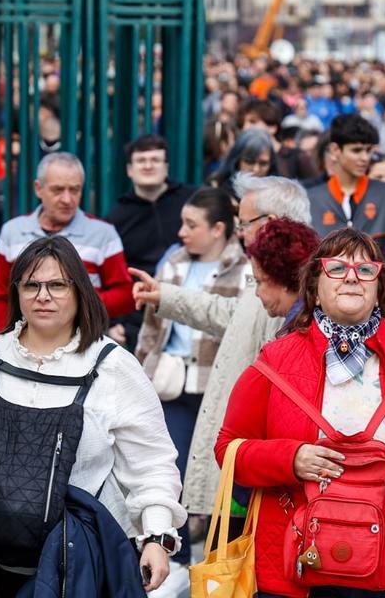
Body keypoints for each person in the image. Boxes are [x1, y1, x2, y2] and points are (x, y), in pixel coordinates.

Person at [216, 228, 385, 598]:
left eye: (365, 271)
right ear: (314, 284)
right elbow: (229, 448)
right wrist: (290, 458)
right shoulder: (273, 363)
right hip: (294, 563)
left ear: (380, 287)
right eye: (337, 268)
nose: (351, 277)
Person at [0, 236, 185, 594]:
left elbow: (151, 462)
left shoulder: (112, 366)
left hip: (75, 561)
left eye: (58, 285)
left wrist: (155, 536)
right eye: (31, 284)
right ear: (16, 292)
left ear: (80, 291)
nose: (43, 295)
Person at [129, 174, 310, 523]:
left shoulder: (294, 286)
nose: (239, 232)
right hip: (252, 460)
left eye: (245, 223)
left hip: (260, 467)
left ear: (271, 224)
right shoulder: (272, 274)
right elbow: (231, 314)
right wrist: (167, 296)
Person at [134, 188, 249, 585]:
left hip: (219, 387)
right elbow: (152, 327)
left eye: (191, 225)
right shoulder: (174, 261)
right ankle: (174, 563)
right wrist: (139, 370)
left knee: (221, 481)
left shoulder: (245, 268)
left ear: (218, 229)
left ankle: (220, 567)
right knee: (173, 472)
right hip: (172, 384)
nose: (182, 232)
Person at [0, 152, 134, 329]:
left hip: (84, 343)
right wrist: (6, 339)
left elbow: (125, 295)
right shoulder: (12, 231)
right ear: (38, 189)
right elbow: (1, 295)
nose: (67, 199)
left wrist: (78, 304)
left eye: (74, 190)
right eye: (58, 190)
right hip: (23, 343)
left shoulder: (103, 234)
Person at [307, 113, 385, 293]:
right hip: (325, 307)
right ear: (335, 150)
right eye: (356, 150)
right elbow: (306, 264)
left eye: (368, 150)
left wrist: (382, 295)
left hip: (378, 306)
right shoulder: (312, 198)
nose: (365, 157)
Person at [107, 135, 197, 349]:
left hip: (192, 307)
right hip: (139, 317)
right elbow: (113, 275)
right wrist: (114, 322)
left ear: (166, 167)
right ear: (129, 169)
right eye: (141, 160)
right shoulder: (117, 217)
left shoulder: (192, 201)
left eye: (155, 160)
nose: (148, 166)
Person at [245, 218, 321, 335]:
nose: (256, 293)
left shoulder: (301, 333)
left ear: (283, 279)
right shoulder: (319, 317)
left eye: (259, 281)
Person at [207, 128, 274, 188]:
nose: (256, 169)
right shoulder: (217, 188)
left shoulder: (278, 195)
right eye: (249, 161)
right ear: (237, 160)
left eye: (263, 163)